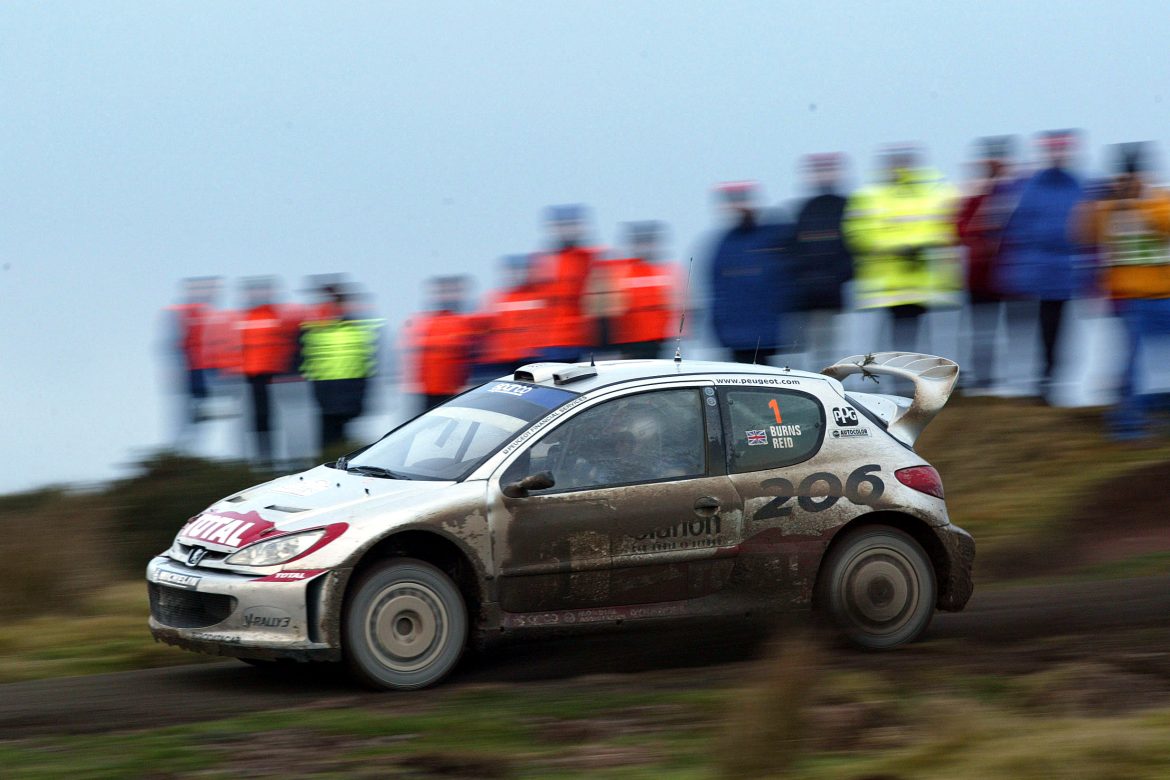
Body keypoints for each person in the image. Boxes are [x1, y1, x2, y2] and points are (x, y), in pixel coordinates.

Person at [1078, 142, 1170, 438]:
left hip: (1163, 296)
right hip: (1132, 299)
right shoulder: (1108, 208)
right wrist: (1098, 202)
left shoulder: (1159, 201)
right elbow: (1084, 236)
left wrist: (1139, 202)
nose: (1130, 181)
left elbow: (1165, 222)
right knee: (1133, 362)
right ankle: (1129, 422)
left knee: (1147, 361)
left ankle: (1151, 411)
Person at [997, 130, 1087, 402]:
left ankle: (1049, 378)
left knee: (1055, 326)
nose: (1058, 155)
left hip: (1062, 270)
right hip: (1033, 268)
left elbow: (1089, 229)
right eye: (1053, 149)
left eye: (1062, 150)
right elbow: (1015, 227)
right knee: (1028, 326)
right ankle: (1027, 379)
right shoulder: (1029, 186)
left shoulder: (1079, 186)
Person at [844, 145, 959, 354]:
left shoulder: (937, 191)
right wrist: (900, 247)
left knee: (929, 346)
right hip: (889, 287)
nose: (899, 167)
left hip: (927, 284)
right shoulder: (870, 195)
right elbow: (857, 234)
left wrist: (917, 245)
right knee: (894, 346)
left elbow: (952, 227)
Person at [955, 136, 1022, 391]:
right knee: (980, 332)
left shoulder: (1016, 192)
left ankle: (1014, 382)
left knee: (1015, 331)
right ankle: (982, 379)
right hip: (980, 275)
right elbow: (960, 229)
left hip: (1011, 275)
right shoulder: (972, 194)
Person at [707, 182, 795, 364]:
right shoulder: (724, 245)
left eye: (743, 200)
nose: (740, 207)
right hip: (737, 337)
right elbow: (718, 292)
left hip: (772, 334)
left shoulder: (774, 235)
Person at [300, 284, 382, 455]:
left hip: (341, 392)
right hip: (332, 393)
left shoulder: (323, 330)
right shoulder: (322, 329)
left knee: (335, 440)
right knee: (335, 439)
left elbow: (365, 362)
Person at [791, 154, 854, 370]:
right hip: (812, 296)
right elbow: (797, 251)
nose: (824, 175)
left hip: (843, 292)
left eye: (828, 170)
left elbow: (854, 246)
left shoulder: (847, 206)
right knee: (819, 352)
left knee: (843, 349)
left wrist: (842, 276)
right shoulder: (806, 210)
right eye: (819, 171)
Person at [587, 221, 679, 360]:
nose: (644, 247)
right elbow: (607, 309)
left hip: (658, 341)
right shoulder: (620, 272)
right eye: (640, 242)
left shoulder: (665, 272)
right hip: (628, 343)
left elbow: (675, 306)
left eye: (648, 242)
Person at [237, 276, 296, 466]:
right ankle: (264, 457)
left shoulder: (274, 317)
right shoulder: (247, 317)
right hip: (254, 376)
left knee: (275, 417)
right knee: (259, 418)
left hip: (275, 375)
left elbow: (287, 344)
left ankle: (273, 457)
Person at [531, 204, 600, 362]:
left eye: (571, 225)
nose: (567, 230)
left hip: (584, 340)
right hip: (551, 343)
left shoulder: (590, 258)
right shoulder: (544, 261)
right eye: (562, 226)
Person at [402, 276, 477, 410]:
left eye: (451, 292)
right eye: (442, 292)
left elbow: (474, 356)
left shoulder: (468, 321)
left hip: (457, 390)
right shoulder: (424, 322)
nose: (446, 297)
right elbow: (414, 356)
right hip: (429, 390)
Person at [471, 255, 546, 381]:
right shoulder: (495, 298)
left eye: (521, 270)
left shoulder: (540, 296)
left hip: (533, 359)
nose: (517, 274)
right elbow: (482, 328)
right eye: (513, 270)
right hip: (503, 361)